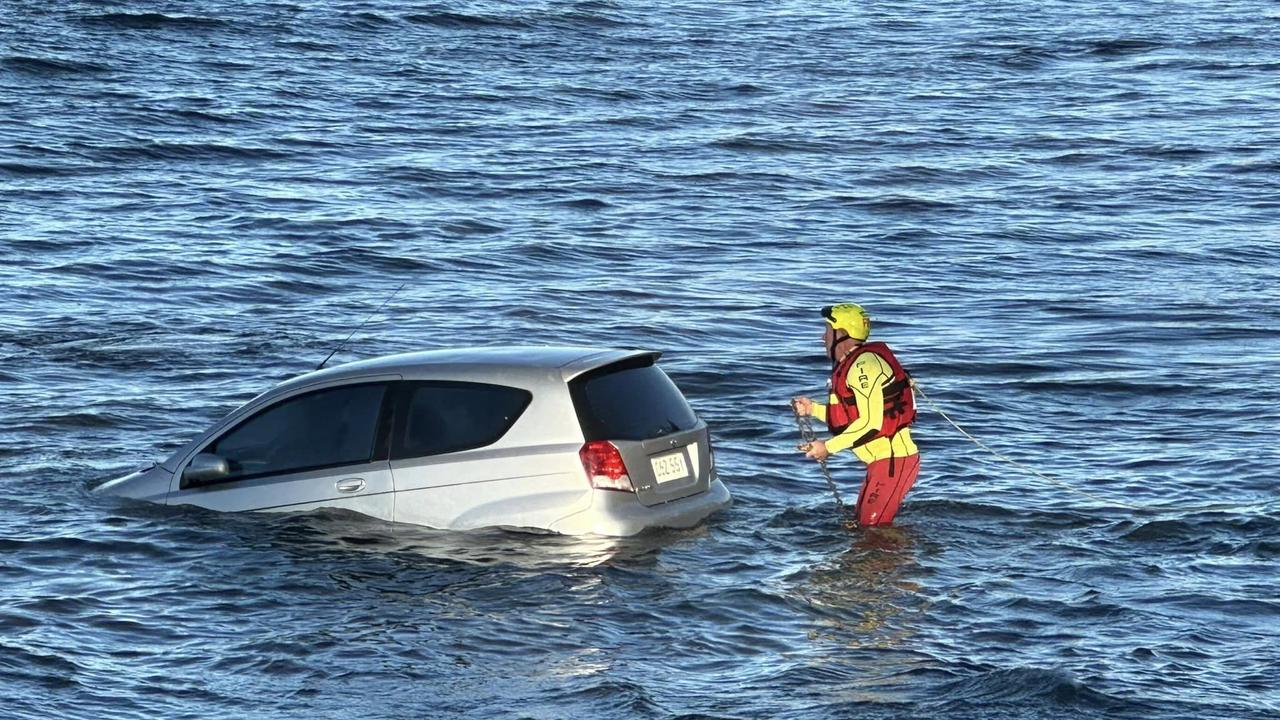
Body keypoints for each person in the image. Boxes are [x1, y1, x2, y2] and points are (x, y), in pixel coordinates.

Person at [792, 303, 920, 527]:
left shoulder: (864, 366)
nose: (823, 338)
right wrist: (813, 409)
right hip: (880, 464)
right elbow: (850, 416)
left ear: (841, 335)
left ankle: (899, 560)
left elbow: (871, 423)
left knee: (872, 532)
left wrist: (828, 448)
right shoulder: (853, 364)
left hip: (893, 462)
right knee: (863, 528)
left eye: (827, 331)